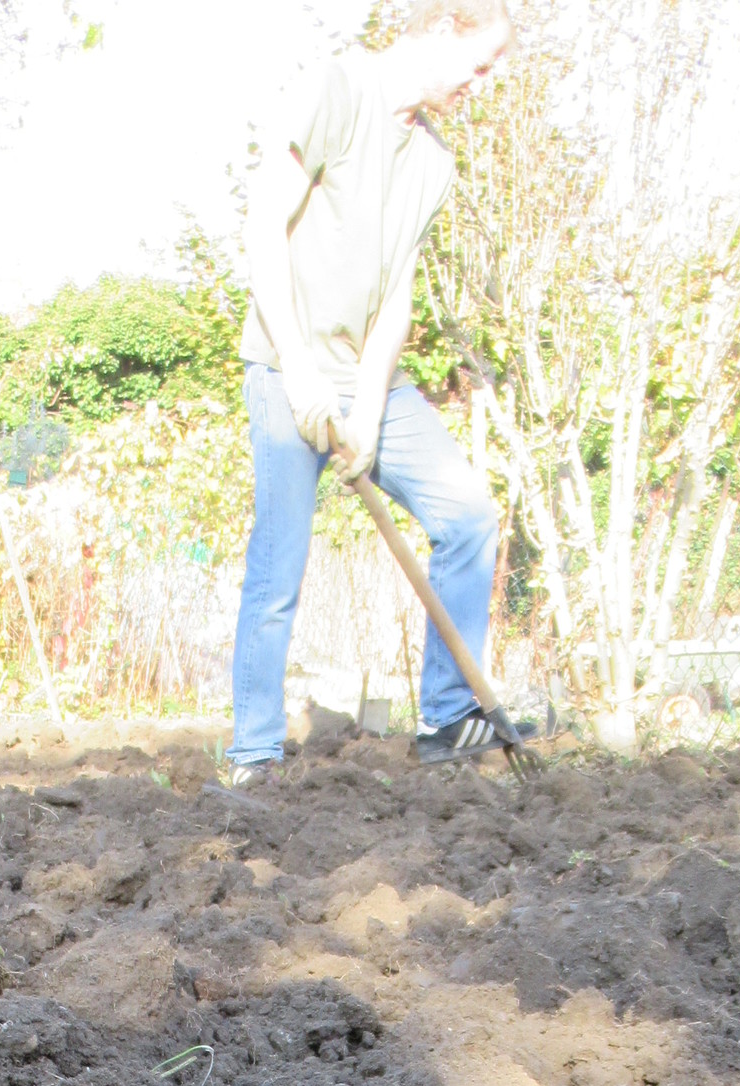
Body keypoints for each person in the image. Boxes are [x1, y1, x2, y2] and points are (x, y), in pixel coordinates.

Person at [228, 0, 517, 782]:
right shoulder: (336, 90)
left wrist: (365, 407)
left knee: (468, 513)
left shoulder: (433, 162)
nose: (484, 81)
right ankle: (254, 756)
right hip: (286, 365)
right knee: (279, 562)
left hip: (369, 381)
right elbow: (263, 227)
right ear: (442, 28)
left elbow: (396, 300)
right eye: (482, 61)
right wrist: (298, 368)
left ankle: (448, 719)